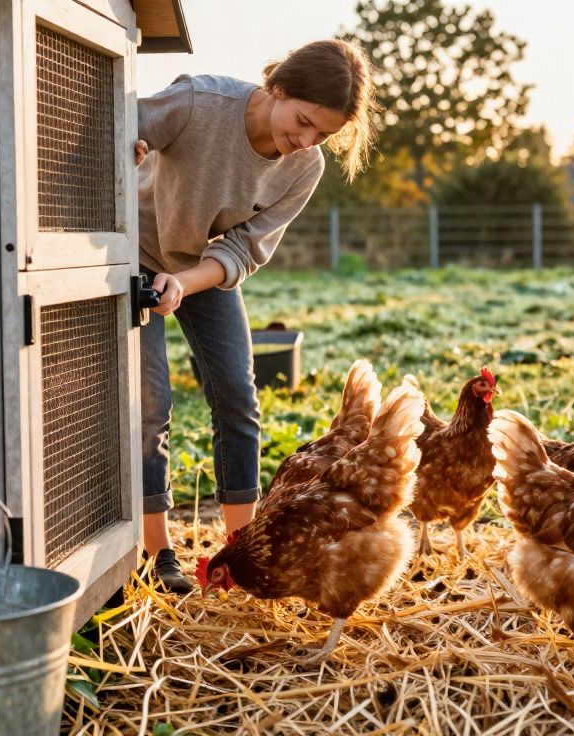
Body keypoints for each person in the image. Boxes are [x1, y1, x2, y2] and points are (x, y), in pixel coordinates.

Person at [134, 40, 378, 593]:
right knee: (152, 404)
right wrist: (130, 145)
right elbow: (116, 125)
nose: (307, 140)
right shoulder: (199, 103)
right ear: (279, 88)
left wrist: (184, 281)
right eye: (304, 121)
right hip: (134, 254)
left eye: (323, 134)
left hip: (202, 266)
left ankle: (243, 550)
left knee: (238, 399)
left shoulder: (304, 167)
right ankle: (157, 551)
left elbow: (244, 249)